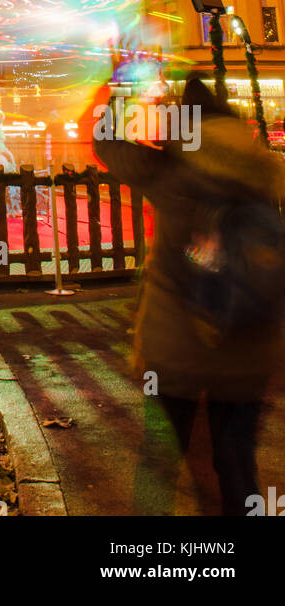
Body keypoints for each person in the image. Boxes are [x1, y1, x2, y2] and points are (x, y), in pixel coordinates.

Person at [95, 74, 285, 516]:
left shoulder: (171, 170)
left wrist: (123, 91)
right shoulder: (263, 170)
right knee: (237, 462)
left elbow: (108, 144)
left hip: (175, 346)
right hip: (248, 347)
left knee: (160, 459)